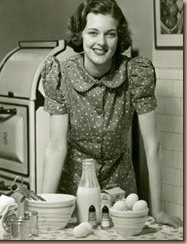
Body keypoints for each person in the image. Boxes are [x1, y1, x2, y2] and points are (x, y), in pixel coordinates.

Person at [41, 0, 183, 228]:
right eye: (93, 33)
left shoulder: (136, 74)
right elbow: (56, 147)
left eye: (110, 34)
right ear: (80, 34)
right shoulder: (61, 76)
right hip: (74, 190)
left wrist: (158, 210)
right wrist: (44, 207)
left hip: (122, 194)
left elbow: (152, 145)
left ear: (120, 37)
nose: (101, 42)